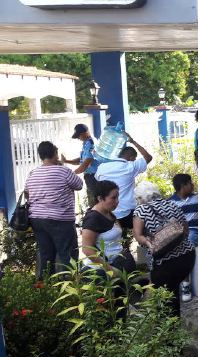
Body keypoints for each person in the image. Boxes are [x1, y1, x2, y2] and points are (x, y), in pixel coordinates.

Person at [132, 185, 196, 318]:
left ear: (139, 198)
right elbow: (185, 229)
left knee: (164, 298)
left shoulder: (141, 209)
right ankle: (173, 327)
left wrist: (150, 243)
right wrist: (173, 240)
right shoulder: (172, 204)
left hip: (164, 261)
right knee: (172, 294)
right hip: (187, 256)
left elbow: (138, 236)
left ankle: (167, 332)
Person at [24, 141, 83, 280]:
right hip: (60, 219)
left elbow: (27, 192)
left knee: (45, 253)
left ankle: (44, 286)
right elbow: (79, 185)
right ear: (55, 154)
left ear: (40, 156)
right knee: (66, 253)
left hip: (37, 219)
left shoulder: (33, 173)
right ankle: (68, 287)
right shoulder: (63, 171)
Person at [81, 180, 135, 319]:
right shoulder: (93, 218)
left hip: (116, 267)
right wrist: (110, 269)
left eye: (118, 197)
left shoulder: (109, 213)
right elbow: (87, 250)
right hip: (103, 272)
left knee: (121, 310)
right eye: (113, 197)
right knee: (108, 313)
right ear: (100, 198)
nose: (117, 201)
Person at [94, 132, 152, 230]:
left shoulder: (101, 167)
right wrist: (133, 141)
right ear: (131, 158)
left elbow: (97, 182)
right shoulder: (130, 167)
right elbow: (148, 157)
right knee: (145, 227)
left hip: (107, 213)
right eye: (134, 159)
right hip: (127, 214)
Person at [61, 123, 99, 207]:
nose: (78, 138)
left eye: (79, 136)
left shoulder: (92, 143)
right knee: (93, 204)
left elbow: (86, 164)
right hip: (91, 177)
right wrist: (67, 161)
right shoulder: (86, 143)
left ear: (84, 133)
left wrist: (71, 175)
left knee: (95, 205)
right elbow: (82, 160)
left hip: (94, 178)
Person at [169, 174, 198, 247]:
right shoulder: (170, 202)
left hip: (195, 231)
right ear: (183, 186)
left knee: (185, 245)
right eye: (190, 183)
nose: (192, 185)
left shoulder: (196, 198)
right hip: (178, 232)